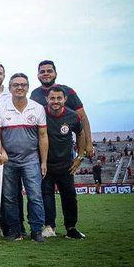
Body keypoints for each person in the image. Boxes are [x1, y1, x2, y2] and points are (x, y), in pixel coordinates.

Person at [0, 73, 48, 242]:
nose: (19, 87)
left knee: (35, 195)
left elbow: (43, 136)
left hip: (31, 158)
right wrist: (0, 153)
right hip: (9, 160)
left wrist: (43, 161)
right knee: (9, 197)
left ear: (28, 87)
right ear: (10, 88)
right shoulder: (0, 108)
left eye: (23, 84)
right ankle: (15, 231)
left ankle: (37, 230)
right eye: (16, 85)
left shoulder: (37, 108)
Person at [42, 87, 87, 239]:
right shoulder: (40, 114)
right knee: (46, 196)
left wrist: (80, 156)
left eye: (58, 98)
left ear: (65, 99)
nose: (55, 101)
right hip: (45, 165)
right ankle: (49, 227)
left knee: (69, 196)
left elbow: (81, 133)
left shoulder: (72, 116)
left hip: (66, 165)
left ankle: (71, 228)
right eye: (52, 98)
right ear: (47, 99)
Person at [30, 60, 93, 158]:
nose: (46, 74)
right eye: (42, 72)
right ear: (38, 75)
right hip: (42, 149)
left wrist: (89, 144)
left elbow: (83, 118)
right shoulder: (35, 94)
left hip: (65, 149)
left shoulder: (68, 92)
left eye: (49, 71)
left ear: (55, 74)